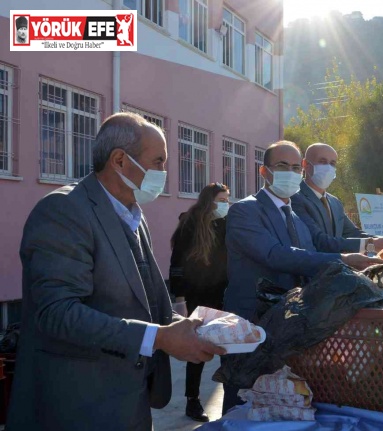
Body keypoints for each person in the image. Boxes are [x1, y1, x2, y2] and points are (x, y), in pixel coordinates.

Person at [6, 113, 225, 431]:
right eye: (158, 161)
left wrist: (192, 329)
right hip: (78, 408)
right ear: (120, 160)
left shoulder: (134, 214)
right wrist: (160, 337)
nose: (164, 173)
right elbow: (57, 313)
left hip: (131, 404)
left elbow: (151, 306)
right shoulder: (64, 212)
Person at [223, 140, 382, 413]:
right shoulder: (245, 210)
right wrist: (342, 259)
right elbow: (276, 255)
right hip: (251, 322)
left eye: (295, 167)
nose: (291, 172)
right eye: (282, 166)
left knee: (276, 401)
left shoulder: (295, 216)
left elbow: (310, 258)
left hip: (287, 326)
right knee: (241, 402)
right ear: (264, 172)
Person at [169, 182, 231, 422]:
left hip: (224, 293)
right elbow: (177, 264)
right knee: (198, 349)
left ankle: (232, 396)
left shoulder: (227, 223)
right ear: (209, 201)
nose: (226, 205)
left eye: (228, 200)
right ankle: (192, 401)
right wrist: (180, 299)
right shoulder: (191, 224)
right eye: (222, 200)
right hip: (198, 295)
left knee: (228, 346)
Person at [291, 143, 383, 254]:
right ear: (305, 164)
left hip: (339, 268)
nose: (328, 168)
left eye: (332, 163)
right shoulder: (295, 199)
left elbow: (352, 233)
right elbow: (319, 241)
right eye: (322, 162)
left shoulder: (335, 202)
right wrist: (371, 244)